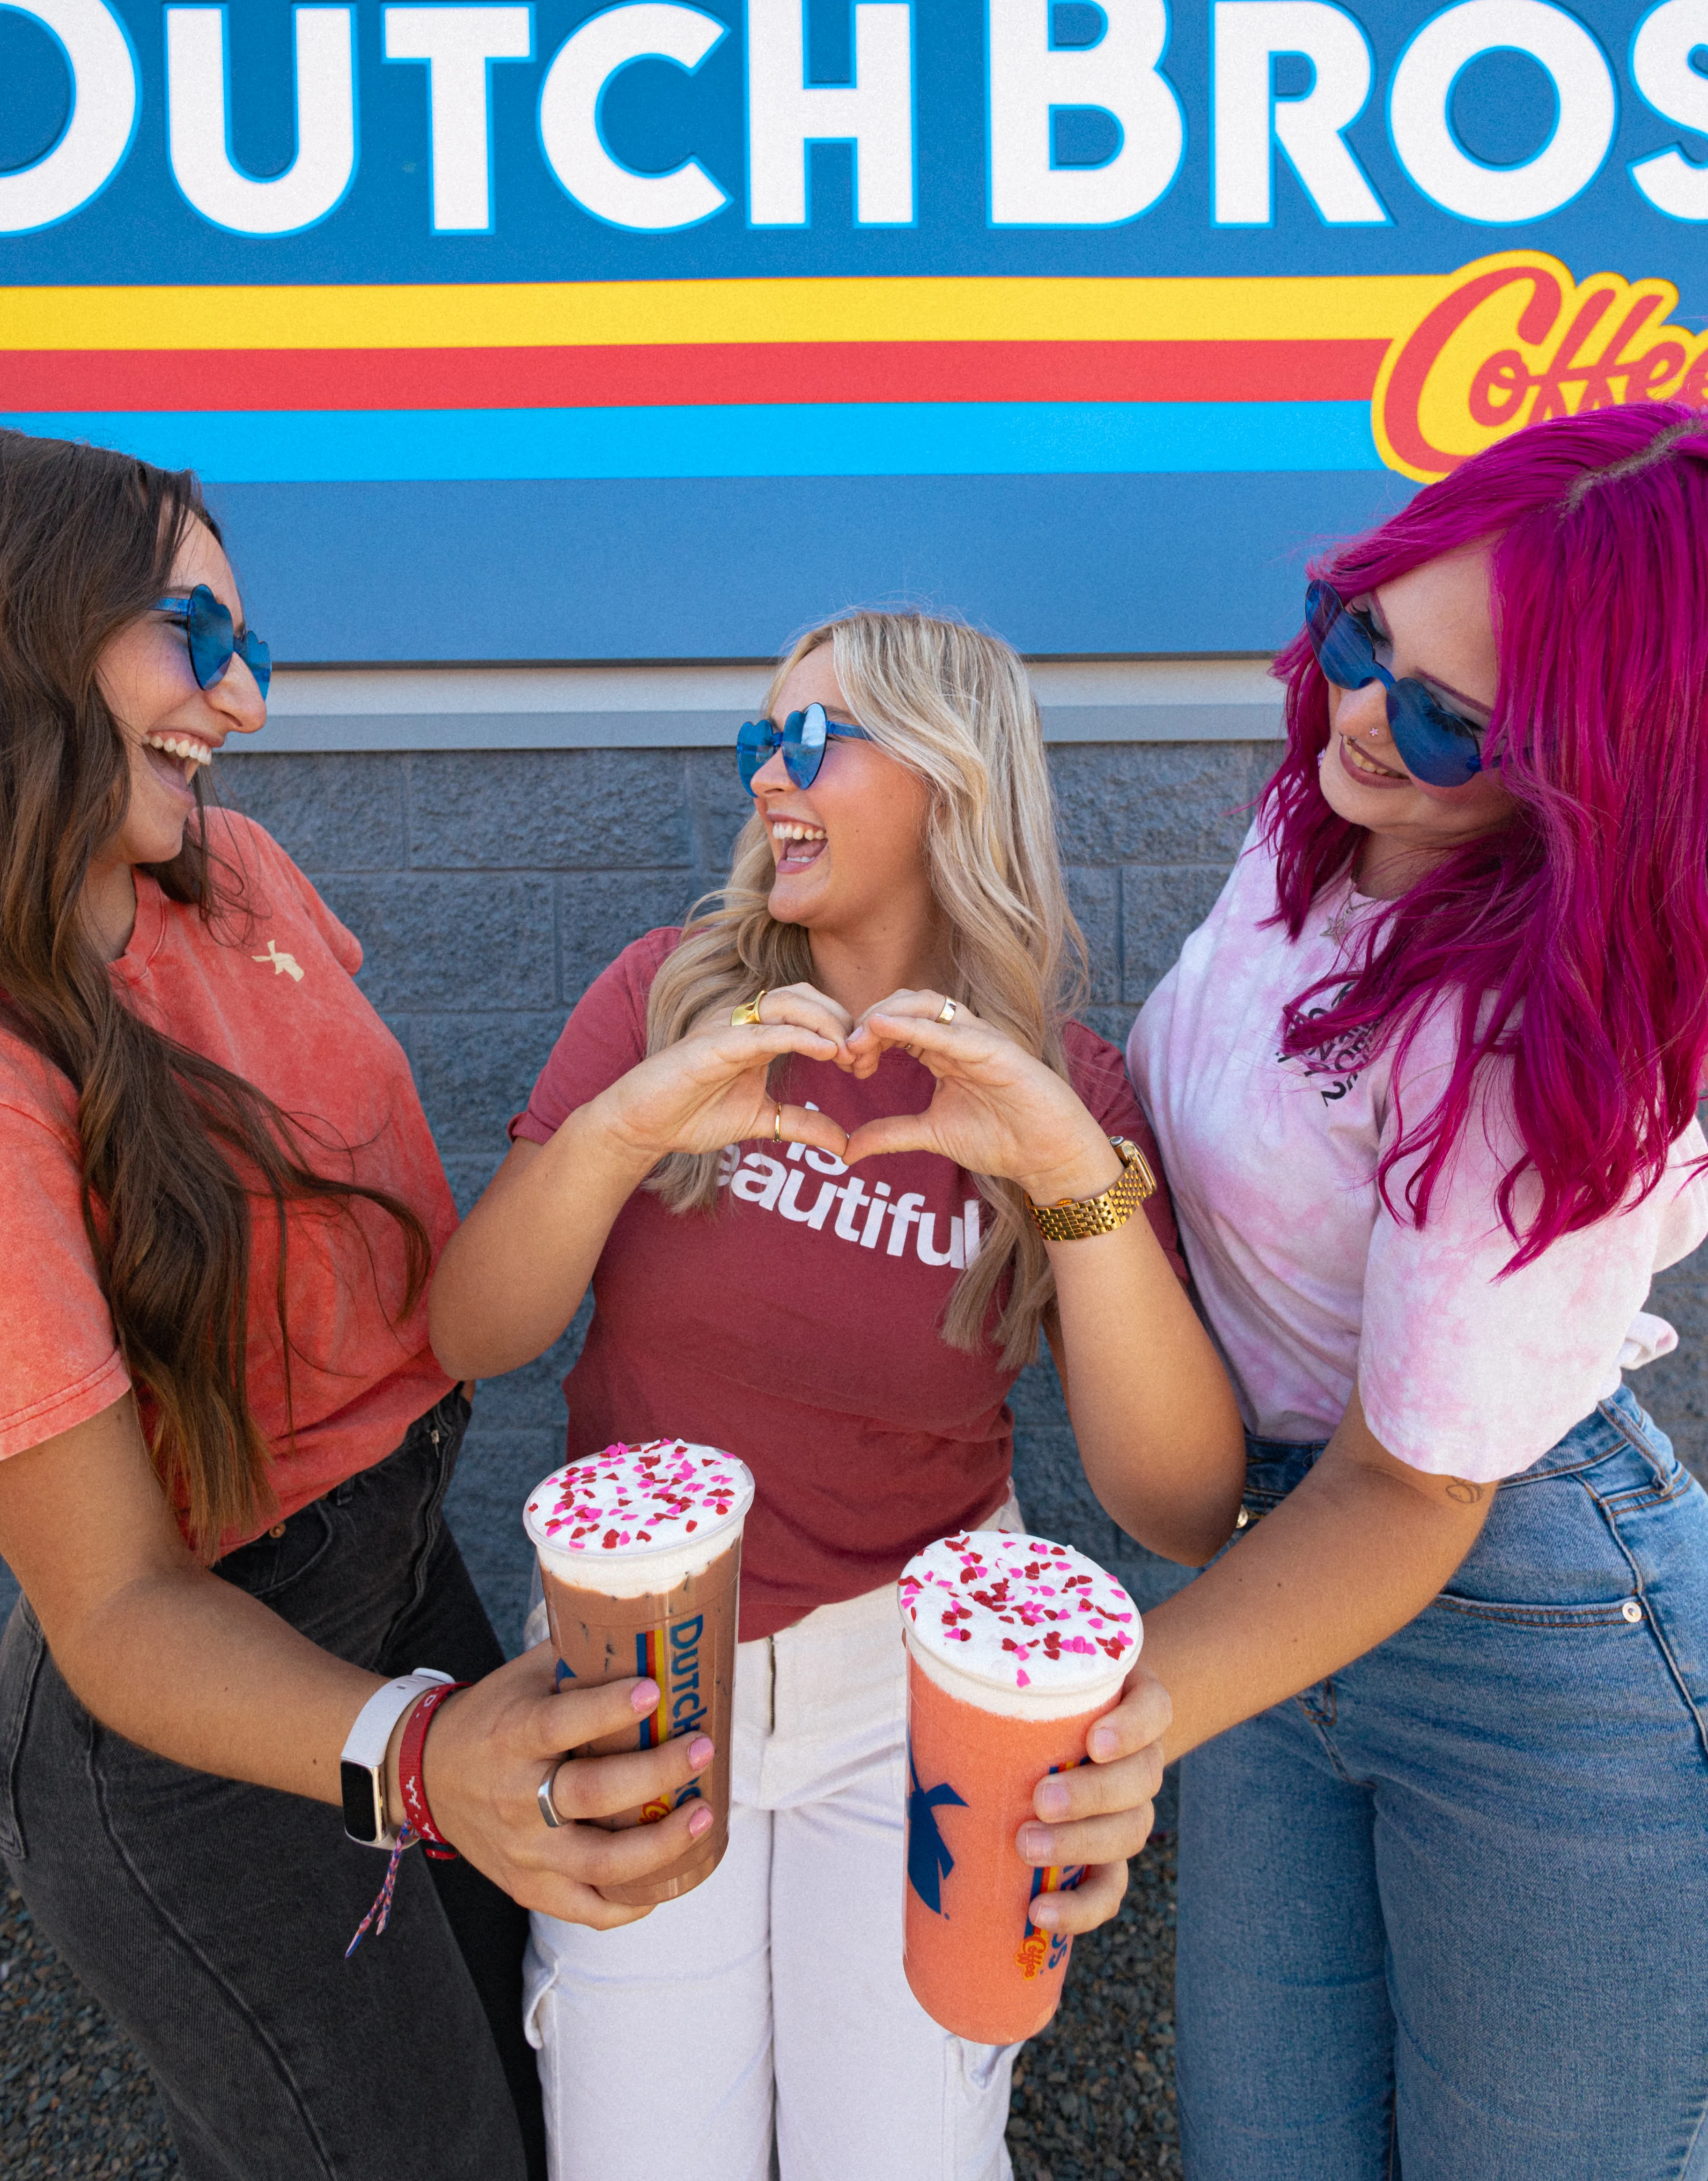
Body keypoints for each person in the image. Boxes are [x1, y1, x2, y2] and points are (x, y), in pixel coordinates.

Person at [430, 607, 1246, 2181]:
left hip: (918, 1696)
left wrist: (1070, 1175)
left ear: (951, 776)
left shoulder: (1062, 1085)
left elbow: (1183, 1503)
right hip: (637, 1669)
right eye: (761, 739)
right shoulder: (663, 996)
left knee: (900, 2151)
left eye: (810, 739)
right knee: (641, 2152)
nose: (765, 777)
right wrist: (625, 1126)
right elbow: (474, 1334)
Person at [0, 433, 731, 2181]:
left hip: (403, 1570)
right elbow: (113, 1605)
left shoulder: (235, 870)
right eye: (194, 635)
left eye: (248, 649)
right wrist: (416, 1757)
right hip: (195, 1703)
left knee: (534, 2100)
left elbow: (413, 1291)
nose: (243, 702)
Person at [1124, 402, 1708, 2181]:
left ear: (1598, 765)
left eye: (1458, 719)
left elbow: (1417, 1486)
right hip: (1281, 1553)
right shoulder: (1324, 813)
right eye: (1360, 630)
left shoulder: (1535, 1037)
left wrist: (1089, 1733)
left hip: (1520, 1617)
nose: (1367, 714)